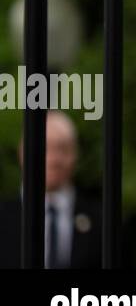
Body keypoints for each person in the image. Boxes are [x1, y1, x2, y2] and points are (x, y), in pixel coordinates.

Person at [0, 110, 101, 268]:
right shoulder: (3, 217)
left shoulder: (101, 222)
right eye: (44, 147)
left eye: (63, 149)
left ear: (76, 154)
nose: (54, 159)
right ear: (22, 152)